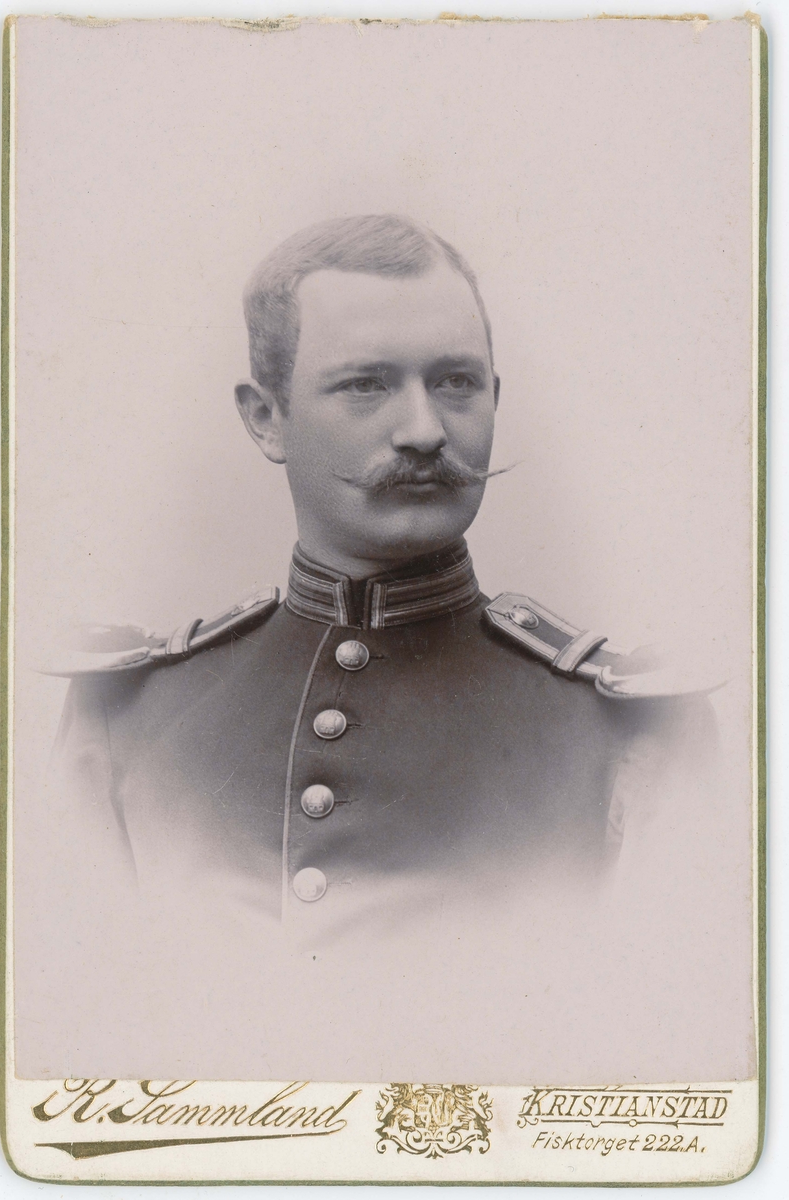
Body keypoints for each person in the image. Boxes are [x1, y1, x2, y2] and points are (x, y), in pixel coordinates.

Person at [35, 214, 722, 1082]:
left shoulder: (636, 731)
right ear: (265, 419)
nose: (425, 430)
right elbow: (73, 1046)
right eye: (365, 385)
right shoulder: (127, 717)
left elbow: (662, 1066)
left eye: (457, 382)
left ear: (496, 399)